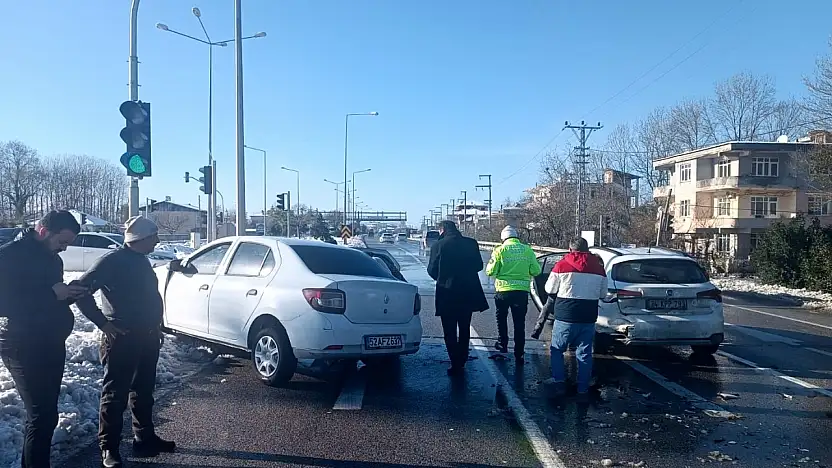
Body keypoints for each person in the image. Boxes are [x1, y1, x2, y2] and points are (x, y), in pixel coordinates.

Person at [75, 216, 175, 468]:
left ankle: (144, 439)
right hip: (121, 337)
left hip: (148, 336)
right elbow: (80, 291)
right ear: (141, 239)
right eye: (154, 237)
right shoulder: (112, 261)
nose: (158, 241)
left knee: (143, 391)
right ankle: (109, 448)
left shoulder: (141, 260)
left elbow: (147, 298)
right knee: (115, 394)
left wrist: (156, 326)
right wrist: (103, 323)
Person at [0, 210, 88, 468]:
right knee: (42, 415)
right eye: (61, 241)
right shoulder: (9, 256)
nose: (64, 248)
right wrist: (51, 294)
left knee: (47, 414)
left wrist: (69, 294)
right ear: (42, 231)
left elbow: (51, 295)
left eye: (67, 244)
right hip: (22, 344)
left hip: (51, 341)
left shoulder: (52, 258)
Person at [543, 237, 607, 399]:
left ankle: (559, 383)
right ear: (587, 249)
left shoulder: (561, 265)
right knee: (584, 353)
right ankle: (582, 388)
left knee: (557, 350)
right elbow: (603, 294)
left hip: (565, 315)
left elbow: (550, 288)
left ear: (570, 249)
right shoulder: (598, 267)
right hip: (588, 316)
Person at [427, 220, 489, 376]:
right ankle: (462, 359)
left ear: (442, 230)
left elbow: (432, 270)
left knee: (449, 330)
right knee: (464, 327)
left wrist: (442, 277)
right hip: (468, 291)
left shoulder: (438, 246)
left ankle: (454, 361)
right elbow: (478, 266)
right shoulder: (471, 243)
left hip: (447, 292)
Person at [485, 226, 541, 362]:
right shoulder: (527, 250)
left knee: (501, 318)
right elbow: (536, 270)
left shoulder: (499, 250)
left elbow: (490, 271)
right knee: (519, 323)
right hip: (521, 292)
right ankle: (519, 352)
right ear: (516, 237)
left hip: (503, 291)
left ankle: (503, 344)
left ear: (503, 238)